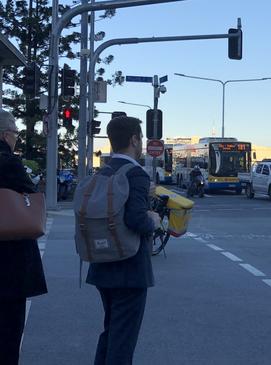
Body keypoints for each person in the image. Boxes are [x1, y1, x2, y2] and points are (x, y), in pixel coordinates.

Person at [86, 116, 161, 365]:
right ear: (134, 139)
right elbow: (136, 220)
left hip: (101, 264)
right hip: (129, 268)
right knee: (123, 340)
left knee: (111, 331)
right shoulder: (136, 174)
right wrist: (154, 219)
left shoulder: (103, 171)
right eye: (139, 138)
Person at [0, 110, 47, 365]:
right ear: (5, 134)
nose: (17, 138)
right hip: (8, 261)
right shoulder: (8, 162)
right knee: (8, 332)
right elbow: (29, 195)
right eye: (16, 133)